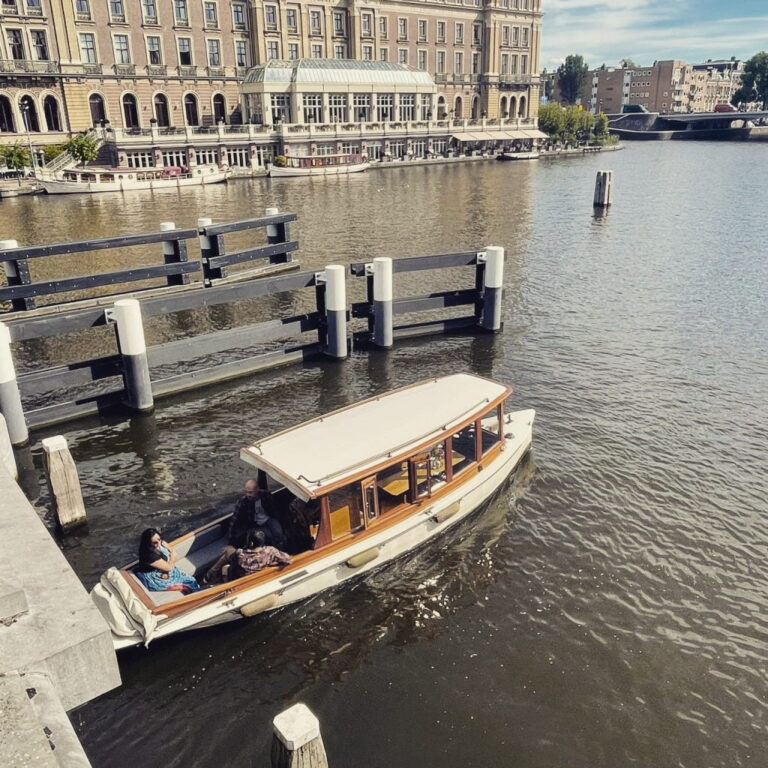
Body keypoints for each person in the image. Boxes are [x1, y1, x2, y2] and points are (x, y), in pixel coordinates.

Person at [205, 478, 287, 583]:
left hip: (267, 520)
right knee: (277, 536)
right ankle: (212, 572)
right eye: (246, 492)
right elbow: (234, 522)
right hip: (254, 524)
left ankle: (211, 573)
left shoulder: (241, 556)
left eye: (251, 492)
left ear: (257, 490)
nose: (248, 495)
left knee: (278, 533)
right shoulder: (270, 551)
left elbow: (274, 510)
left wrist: (231, 546)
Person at [134, 528, 202, 594]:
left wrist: (172, 554)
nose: (159, 544)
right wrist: (173, 556)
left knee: (191, 580)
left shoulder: (161, 542)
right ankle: (196, 594)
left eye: (159, 539)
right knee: (188, 584)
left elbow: (171, 550)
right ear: (148, 543)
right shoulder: (149, 555)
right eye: (155, 543)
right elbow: (169, 567)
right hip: (155, 574)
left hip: (165, 568)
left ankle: (197, 590)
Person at [227, 529, 292, 580]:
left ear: (251, 543)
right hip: (265, 579)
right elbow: (287, 559)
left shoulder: (240, 554)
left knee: (228, 551)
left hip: (245, 583)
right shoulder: (270, 550)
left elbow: (233, 568)